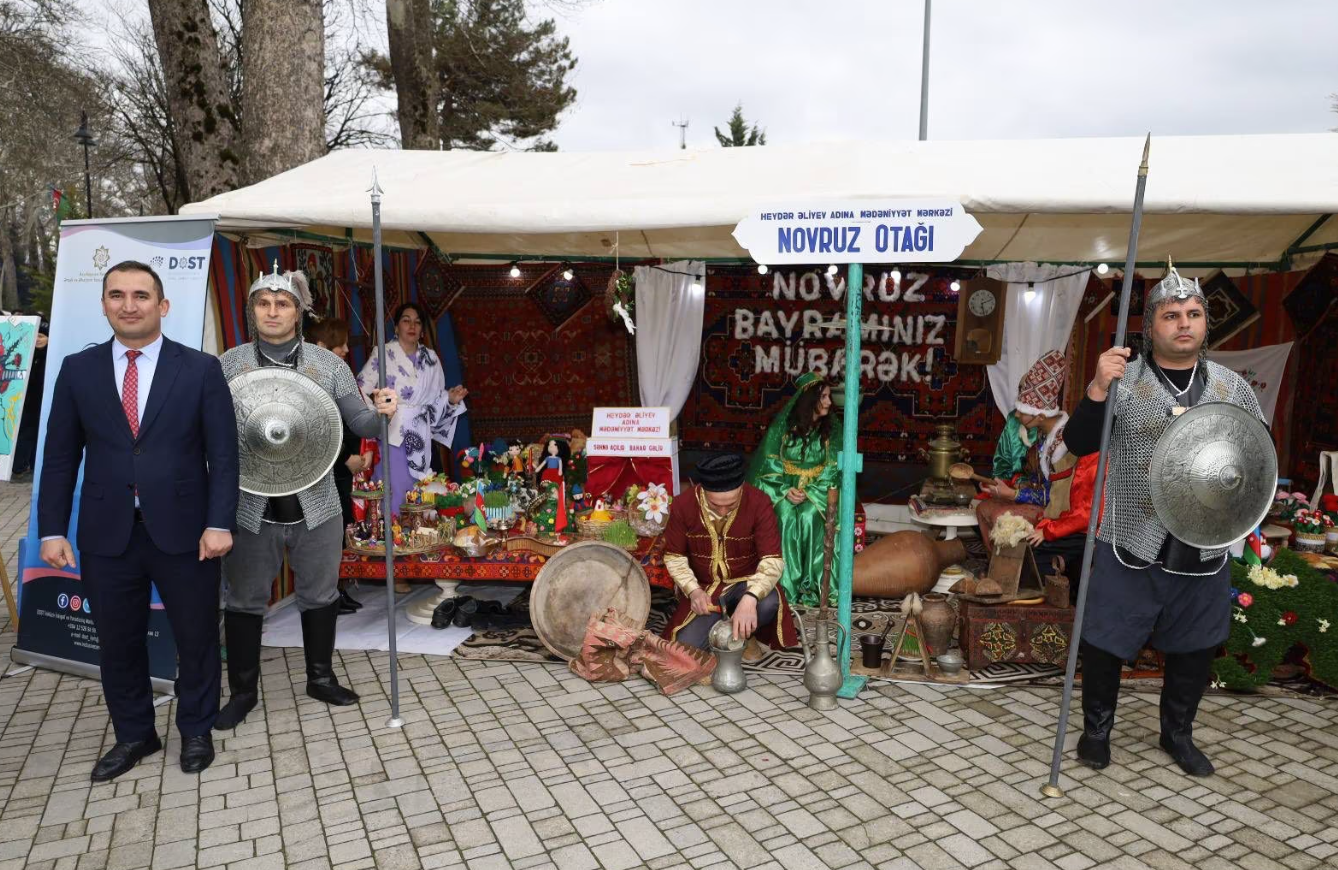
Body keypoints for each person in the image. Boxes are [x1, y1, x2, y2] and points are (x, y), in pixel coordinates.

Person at [38, 260, 238, 780]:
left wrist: (220, 522)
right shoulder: (77, 371)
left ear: (163, 305)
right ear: (103, 303)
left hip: (188, 532)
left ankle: (196, 729)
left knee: (195, 639)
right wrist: (52, 529)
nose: (129, 305)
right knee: (118, 643)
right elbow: (60, 456)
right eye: (118, 295)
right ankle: (135, 735)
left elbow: (225, 455)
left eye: (141, 296)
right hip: (107, 534)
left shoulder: (199, 370)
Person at [1064, 262, 1266, 777]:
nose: (1184, 323)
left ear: (1204, 324)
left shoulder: (1230, 387)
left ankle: (1177, 735)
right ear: (1151, 325)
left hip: (1205, 539)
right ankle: (1096, 731)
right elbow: (1078, 443)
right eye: (1172, 315)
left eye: (1194, 314)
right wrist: (1095, 388)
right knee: (1106, 639)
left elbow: (1253, 456)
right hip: (1132, 533)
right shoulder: (1124, 380)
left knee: (1195, 644)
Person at [215, 267, 399, 730]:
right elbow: (209, 431)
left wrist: (381, 414)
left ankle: (320, 677)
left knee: (320, 594)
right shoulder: (227, 365)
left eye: (283, 304)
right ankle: (242, 692)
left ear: (299, 311)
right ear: (252, 310)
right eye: (264, 303)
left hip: (316, 500)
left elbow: (358, 421)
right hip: (250, 502)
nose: (272, 311)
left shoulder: (327, 365)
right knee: (244, 600)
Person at [662, 453, 799, 651]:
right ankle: (732, 632)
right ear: (702, 491)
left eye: (731, 505)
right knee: (686, 648)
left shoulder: (759, 502)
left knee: (768, 602)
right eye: (715, 505)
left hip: (746, 583)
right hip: (706, 591)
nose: (723, 511)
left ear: (742, 488)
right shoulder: (683, 505)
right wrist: (693, 590)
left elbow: (772, 560)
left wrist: (751, 597)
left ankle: (744, 633)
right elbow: (675, 557)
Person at [356, 302, 467, 510]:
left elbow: (435, 400)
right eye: (406, 320)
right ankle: (395, 536)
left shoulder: (431, 359)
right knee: (396, 491)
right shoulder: (382, 353)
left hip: (420, 436)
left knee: (420, 491)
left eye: (417, 322)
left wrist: (450, 399)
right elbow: (359, 388)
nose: (412, 326)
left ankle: (416, 538)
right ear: (396, 327)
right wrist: (377, 416)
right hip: (391, 433)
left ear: (422, 330)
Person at [746, 373, 840, 607]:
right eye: (824, 397)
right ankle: (784, 587)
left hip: (816, 494)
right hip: (785, 493)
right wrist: (786, 490)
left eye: (829, 396)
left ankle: (812, 587)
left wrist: (808, 493)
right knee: (786, 516)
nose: (829, 402)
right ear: (809, 400)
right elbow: (767, 469)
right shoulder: (783, 432)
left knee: (809, 517)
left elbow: (832, 470)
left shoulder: (828, 434)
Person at [305, 317, 371, 614]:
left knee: (342, 528)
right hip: (327, 468)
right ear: (320, 347)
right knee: (326, 534)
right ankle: (326, 595)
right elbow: (318, 426)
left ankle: (337, 590)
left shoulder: (337, 374)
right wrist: (347, 457)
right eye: (340, 344)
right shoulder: (310, 380)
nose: (346, 349)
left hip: (343, 467)